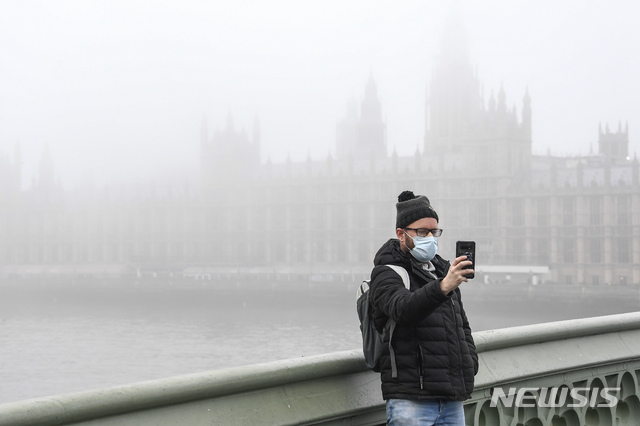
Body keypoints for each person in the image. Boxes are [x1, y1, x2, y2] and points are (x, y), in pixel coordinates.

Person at [369, 190, 478, 426]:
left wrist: (470, 363)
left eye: (433, 231)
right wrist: (443, 287)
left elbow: (463, 326)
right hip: (410, 400)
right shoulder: (386, 272)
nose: (430, 237)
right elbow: (403, 309)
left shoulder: (443, 271)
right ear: (401, 234)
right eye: (421, 232)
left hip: (451, 398)